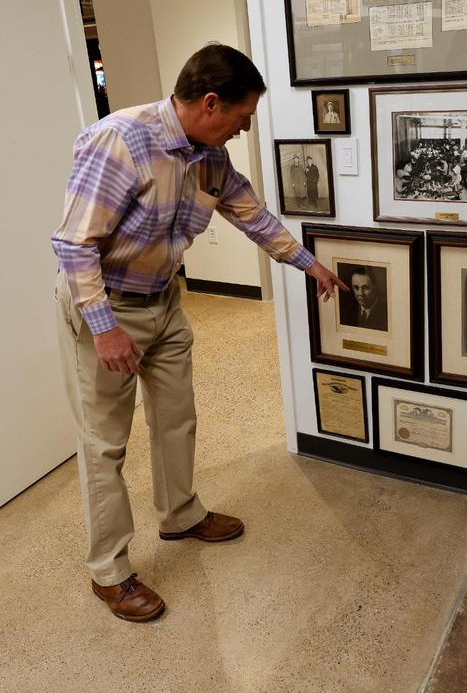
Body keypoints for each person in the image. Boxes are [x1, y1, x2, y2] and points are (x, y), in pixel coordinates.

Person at [51, 43, 348, 622]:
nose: (243, 130)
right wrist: (105, 329)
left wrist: (307, 263)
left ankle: (181, 514)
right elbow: (73, 243)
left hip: (164, 301)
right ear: (211, 103)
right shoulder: (121, 140)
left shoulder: (207, 154)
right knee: (104, 445)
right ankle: (109, 572)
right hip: (106, 308)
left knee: (177, 419)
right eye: (241, 119)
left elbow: (249, 212)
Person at [342, 267, 386, 331]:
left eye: (365, 288)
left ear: (375, 288)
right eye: (356, 288)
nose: (360, 293)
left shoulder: (386, 312)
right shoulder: (346, 312)